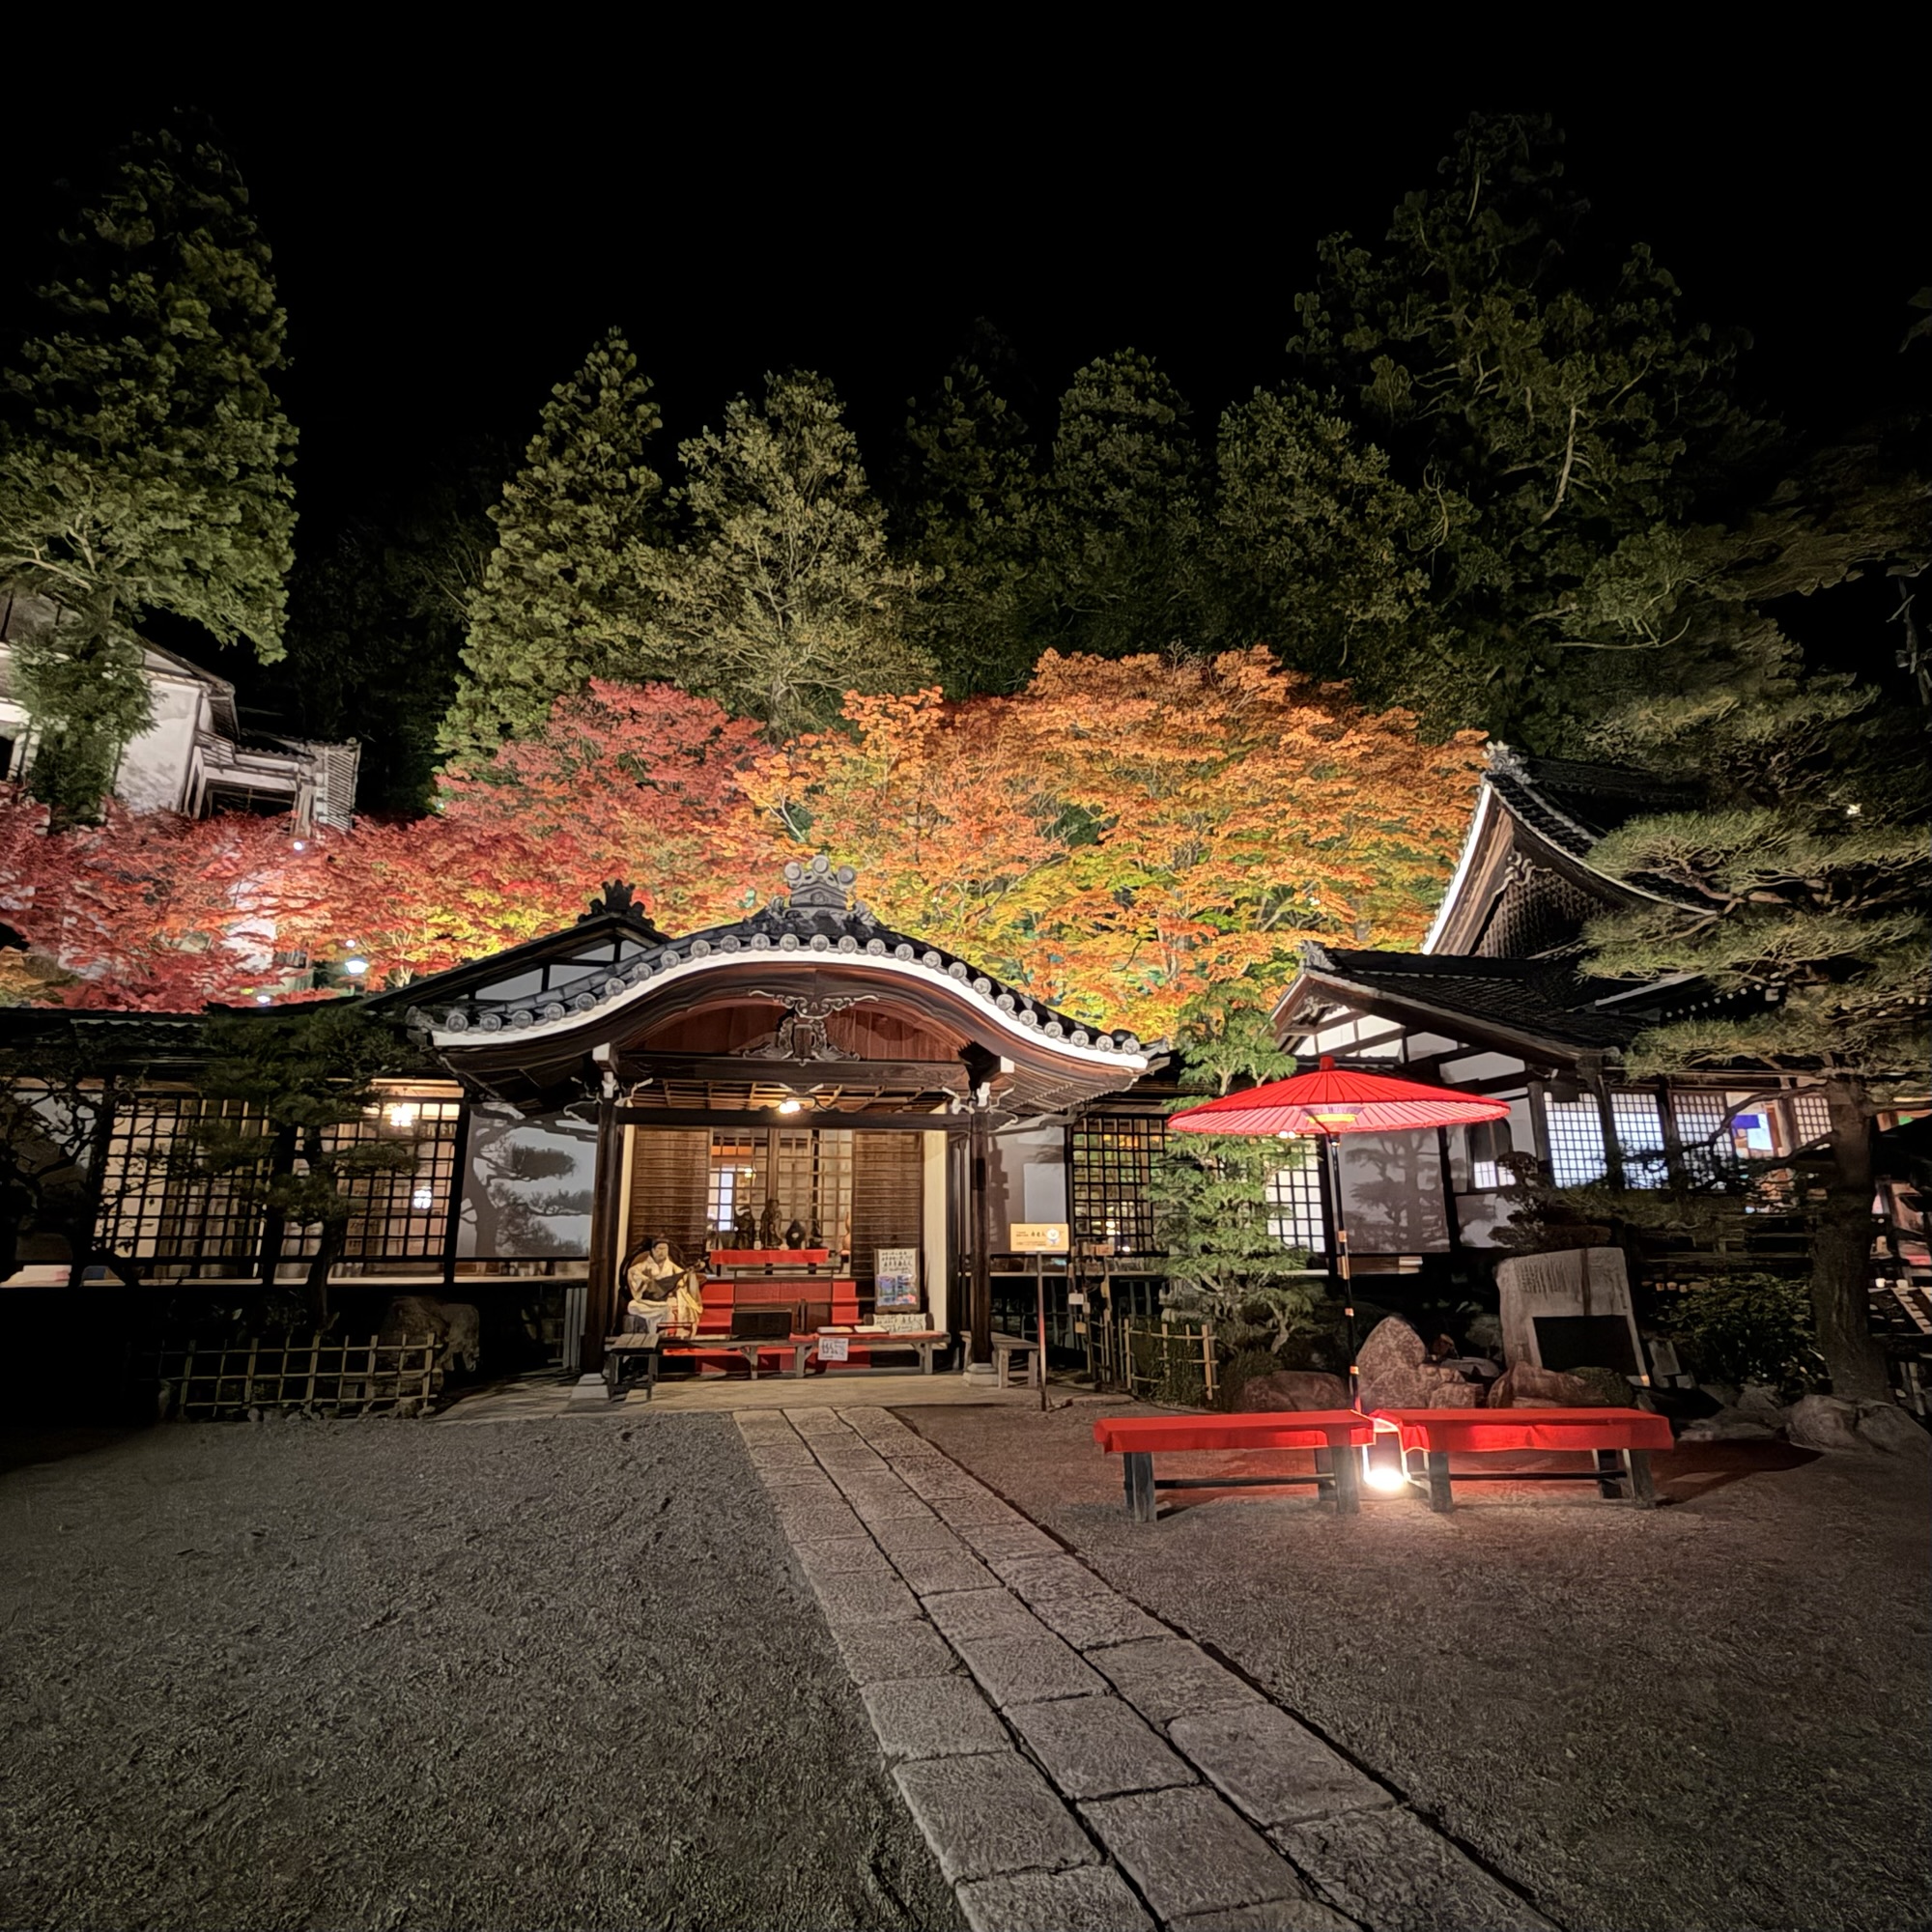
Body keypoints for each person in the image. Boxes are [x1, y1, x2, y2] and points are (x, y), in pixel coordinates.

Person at [623, 1238, 703, 1339]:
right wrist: (646, 1281)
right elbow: (633, 1273)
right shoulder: (643, 1266)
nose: (662, 1252)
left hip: (667, 1300)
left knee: (672, 1306)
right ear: (652, 1250)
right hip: (649, 1301)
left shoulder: (672, 1267)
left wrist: (691, 1273)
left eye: (665, 1249)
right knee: (632, 1305)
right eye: (659, 1249)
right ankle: (663, 1313)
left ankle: (665, 1329)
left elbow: (683, 1277)